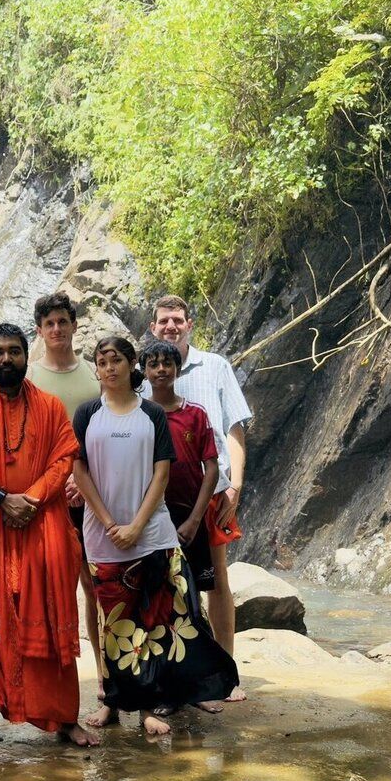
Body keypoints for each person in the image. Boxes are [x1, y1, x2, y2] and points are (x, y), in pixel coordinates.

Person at [73, 337, 238, 735]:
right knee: (115, 625)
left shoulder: (151, 413)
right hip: (103, 536)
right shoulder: (87, 413)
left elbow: (161, 473)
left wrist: (135, 525)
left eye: (116, 360)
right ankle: (114, 704)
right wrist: (110, 522)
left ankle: (159, 702)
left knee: (166, 617)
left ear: (131, 364)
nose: (109, 368)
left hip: (154, 534)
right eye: (102, 362)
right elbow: (79, 470)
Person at [0, 323, 95, 746]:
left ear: (27, 356)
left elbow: (64, 457)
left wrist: (29, 499)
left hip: (40, 526)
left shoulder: (49, 406)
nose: (6, 359)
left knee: (49, 619)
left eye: (14, 351)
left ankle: (65, 717)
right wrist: (1, 498)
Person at [145, 294, 253, 702]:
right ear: (153, 327)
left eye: (177, 320)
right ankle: (173, 673)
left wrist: (235, 485)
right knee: (163, 583)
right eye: (163, 321)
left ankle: (226, 672)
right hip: (156, 496)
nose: (170, 326)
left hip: (212, 490)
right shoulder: (145, 372)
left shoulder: (215, 366)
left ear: (189, 324)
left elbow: (234, 429)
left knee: (217, 579)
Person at [25, 292, 104, 702]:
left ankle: (106, 677)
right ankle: (54, 687)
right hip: (48, 498)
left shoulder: (95, 374)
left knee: (96, 588)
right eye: (49, 324)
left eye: (63, 321)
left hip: (94, 494)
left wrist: (85, 481)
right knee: (50, 592)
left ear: (74, 325)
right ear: (39, 331)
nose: (57, 329)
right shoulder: (29, 378)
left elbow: (105, 431)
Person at [140, 340, 225, 715]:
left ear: (177, 368)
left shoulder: (196, 415)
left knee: (193, 605)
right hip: (152, 522)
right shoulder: (139, 415)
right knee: (159, 604)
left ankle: (200, 687)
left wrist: (195, 519)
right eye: (153, 364)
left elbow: (212, 469)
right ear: (144, 371)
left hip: (191, 521)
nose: (161, 369)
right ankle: (165, 689)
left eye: (167, 363)